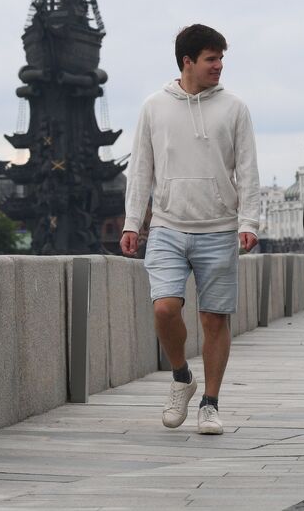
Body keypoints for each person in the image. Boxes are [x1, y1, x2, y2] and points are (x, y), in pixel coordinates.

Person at [120, 24, 261, 436]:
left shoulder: (234, 108)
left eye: (221, 59)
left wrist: (249, 221)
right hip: (166, 225)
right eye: (211, 59)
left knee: (214, 319)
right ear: (187, 62)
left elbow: (248, 169)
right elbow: (141, 169)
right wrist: (133, 222)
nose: (219, 66)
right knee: (165, 308)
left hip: (219, 227)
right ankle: (182, 376)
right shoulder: (153, 106)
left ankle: (211, 403)